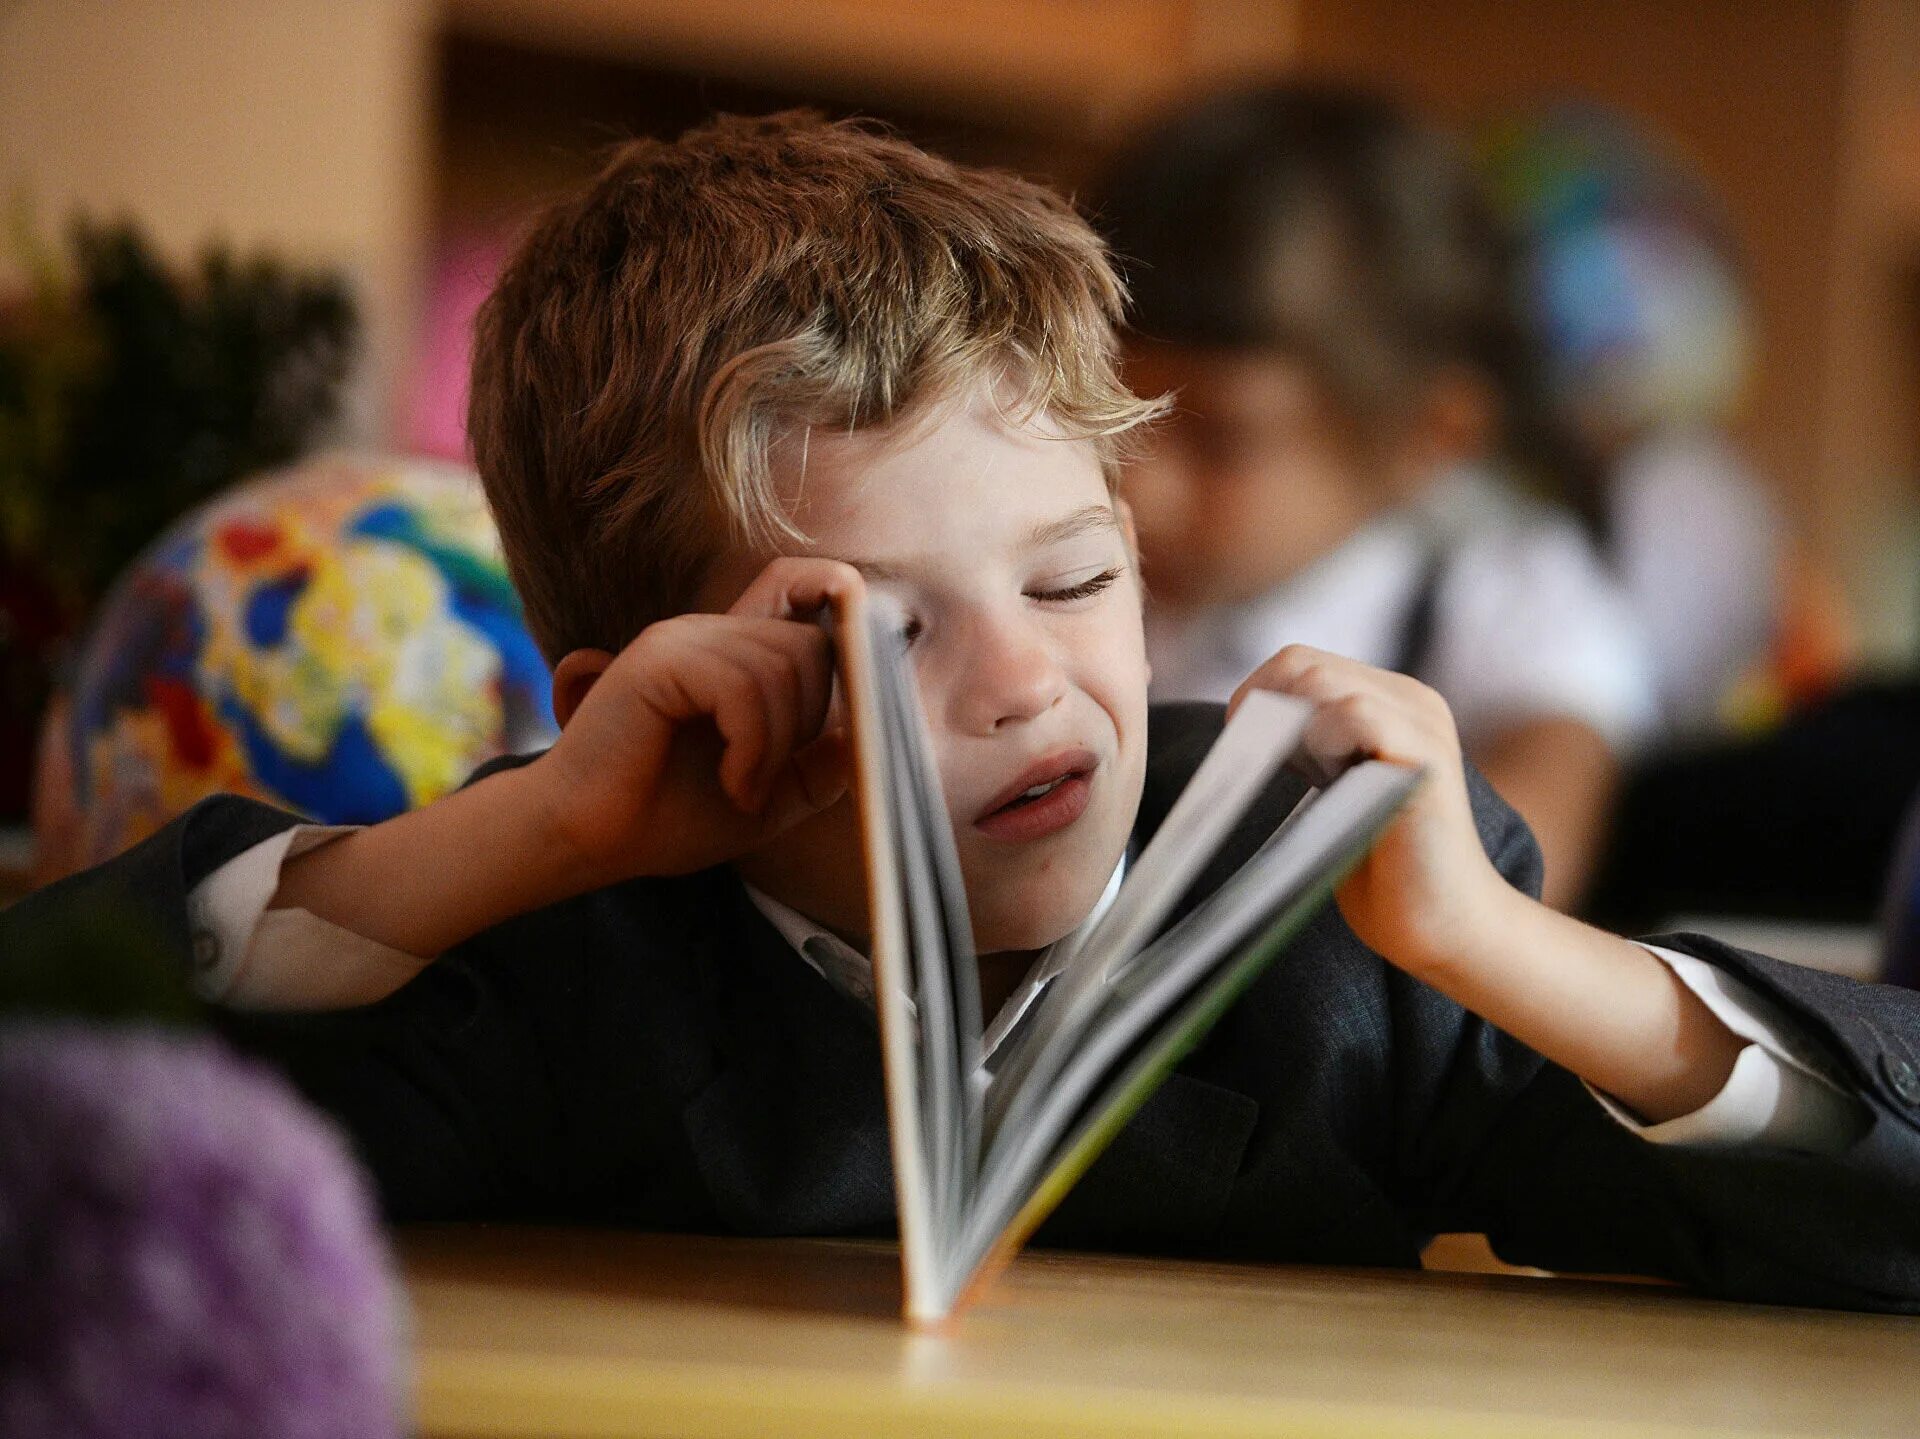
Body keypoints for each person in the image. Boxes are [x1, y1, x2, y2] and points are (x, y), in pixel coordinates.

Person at [4, 113, 1918, 1311]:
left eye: (1080, 580)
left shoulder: (1346, 934)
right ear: (653, 703)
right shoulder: (550, 938)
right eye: (880, 634)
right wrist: (527, 833)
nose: (1024, 684)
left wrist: (1504, 945)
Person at [1095, 84, 1654, 909]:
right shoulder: (1102, 579)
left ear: (1428, 435)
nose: (1138, 482)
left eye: (1216, 436)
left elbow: (1528, 858)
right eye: (1108, 408)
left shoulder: (1505, 593)